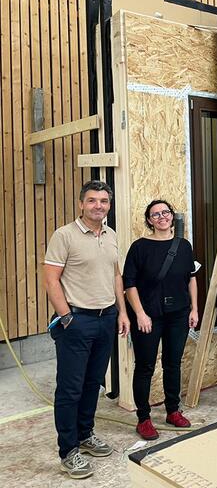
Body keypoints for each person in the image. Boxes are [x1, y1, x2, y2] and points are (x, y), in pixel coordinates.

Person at [43, 180, 130, 479]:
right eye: (92, 201)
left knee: (94, 383)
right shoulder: (64, 236)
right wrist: (67, 318)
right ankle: (68, 450)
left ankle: (85, 434)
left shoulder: (111, 235)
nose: (98, 206)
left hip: (107, 319)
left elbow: (115, 276)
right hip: (76, 322)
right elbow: (51, 280)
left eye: (103, 201)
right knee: (70, 388)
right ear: (82, 204)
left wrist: (122, 312)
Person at [123, 200, 199, 440]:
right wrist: (140, 314)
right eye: (155, 214)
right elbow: (129, 284)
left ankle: (172, 411)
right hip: (148, 316)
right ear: (149, 220)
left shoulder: (184, 246)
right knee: (145, 366)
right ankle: (144, 418)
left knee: (172, 364)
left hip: (178, 314)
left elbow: (191, 279)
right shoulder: (139, 247)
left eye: (165, 212)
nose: (162, 217)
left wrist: (194, 309)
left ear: (171, 216)